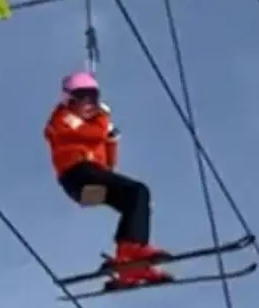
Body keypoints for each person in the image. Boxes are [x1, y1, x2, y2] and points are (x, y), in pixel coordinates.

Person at [44, 71, 171, 290]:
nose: (89, 104)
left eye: (93, 98)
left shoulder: (94, 124)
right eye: (82, 98)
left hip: (92, 174)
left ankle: (129, 261)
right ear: (69, 100)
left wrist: (111, 142)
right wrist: (103, 120)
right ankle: (132, 252)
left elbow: (108, 165)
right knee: (137, 191)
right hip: (77, 172)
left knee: (136, 196)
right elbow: (89, 135)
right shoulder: (63, 118)